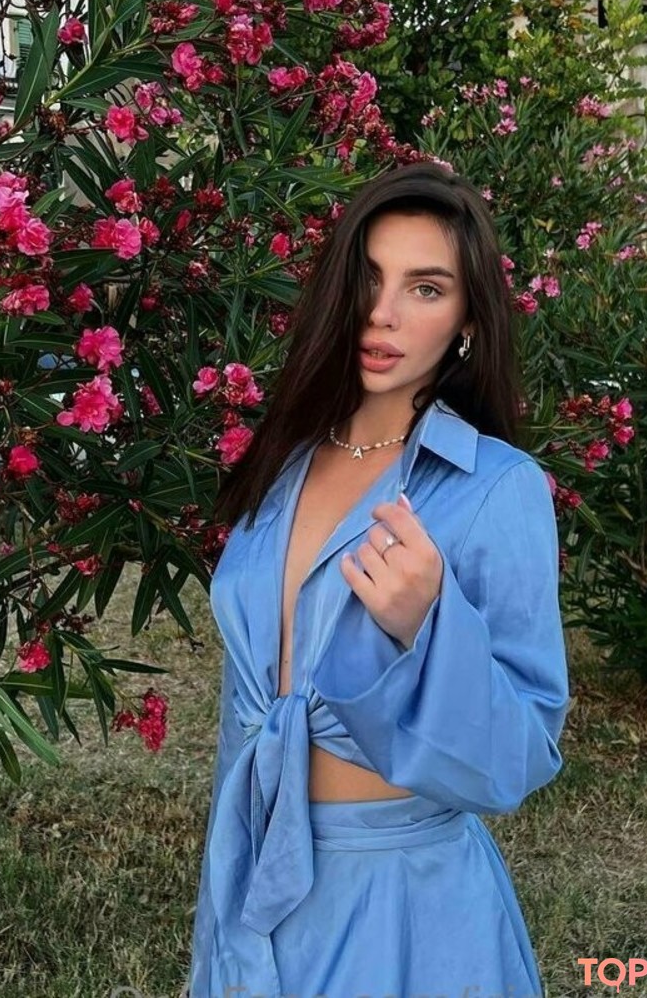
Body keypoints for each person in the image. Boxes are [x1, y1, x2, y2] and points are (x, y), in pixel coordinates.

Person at [188, 160, 570, 997]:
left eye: (425, 288)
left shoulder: (496, 487)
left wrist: (429, 625)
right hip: (252, 873)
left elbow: (520, 758)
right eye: (368, 278)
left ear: (467, 321)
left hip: (403, 905)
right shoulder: (283, 462)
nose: (382, 312)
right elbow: (243, 708)